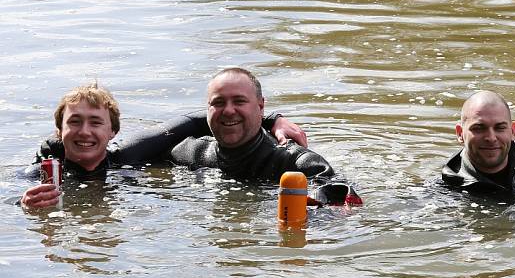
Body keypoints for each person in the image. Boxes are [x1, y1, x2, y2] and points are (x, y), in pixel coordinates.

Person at [20, 81, 308, 209]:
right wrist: (23, 205)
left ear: (112, 131)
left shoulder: (130, 157)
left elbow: (198, 121)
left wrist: (272, 120)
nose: (84, 132)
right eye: (74, 122)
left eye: (95, 122)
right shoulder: (38, 175)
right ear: (59, 129)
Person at [166, 67, 335, 182]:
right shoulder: (187, 153)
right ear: (207, 108)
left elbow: (342, 211)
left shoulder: (297, 163)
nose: (228, 111)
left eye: (239, 101)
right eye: (218, 103)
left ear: (261, 107)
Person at [441, 90, 515, 198]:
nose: (491, 138)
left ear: (513, 131)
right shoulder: (442, 192)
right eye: (479, 128)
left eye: (500, 128)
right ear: (460, 133)